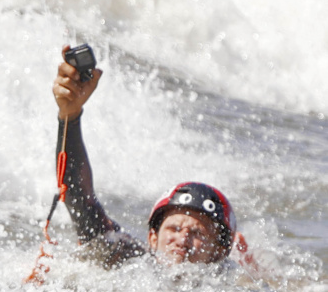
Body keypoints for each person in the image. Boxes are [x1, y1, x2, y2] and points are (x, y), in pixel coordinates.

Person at [51, 45, 250, 269]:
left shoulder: (231, 288)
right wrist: (70, 116)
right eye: (174, 229)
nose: (183, 240)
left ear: (219, 251)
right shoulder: (128, 259)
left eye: (197, 233)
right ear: (153, 238)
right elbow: (80, 199)